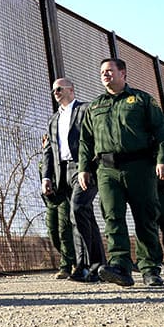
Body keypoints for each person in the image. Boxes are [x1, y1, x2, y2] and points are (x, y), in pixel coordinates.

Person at [78, 58, 164, 287]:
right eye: (102, 72)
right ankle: (120, 265)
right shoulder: (95, 106)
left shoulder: (141, 100)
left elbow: (162, 132)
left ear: (123, 73)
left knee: (145, 217)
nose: (105, 75)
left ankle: (149, 268)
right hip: (107, 170)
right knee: (112, 218)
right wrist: (84, 168)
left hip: (139, 166)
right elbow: (85, 141)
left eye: (110, 71)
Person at [41, 78, 105, 283]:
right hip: (63, 173)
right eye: (53, 90)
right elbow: (49, 151)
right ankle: (98, 265)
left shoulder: (86, 109)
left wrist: (88, 166)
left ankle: (84, 266)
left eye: (59, 89)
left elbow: (96, 138)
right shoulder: (53, 120)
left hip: (83, 168)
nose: (56, 93)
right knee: (82, 214)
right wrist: (46, 177)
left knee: (77, 209)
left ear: (71, 89)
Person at [39, 134, 76, 279]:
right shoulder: (43, 161)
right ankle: (72, 258)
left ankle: (66, 266)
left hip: (64, 197)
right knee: (52, 232)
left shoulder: (63, 158)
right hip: (50, 201)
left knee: (64, 231)